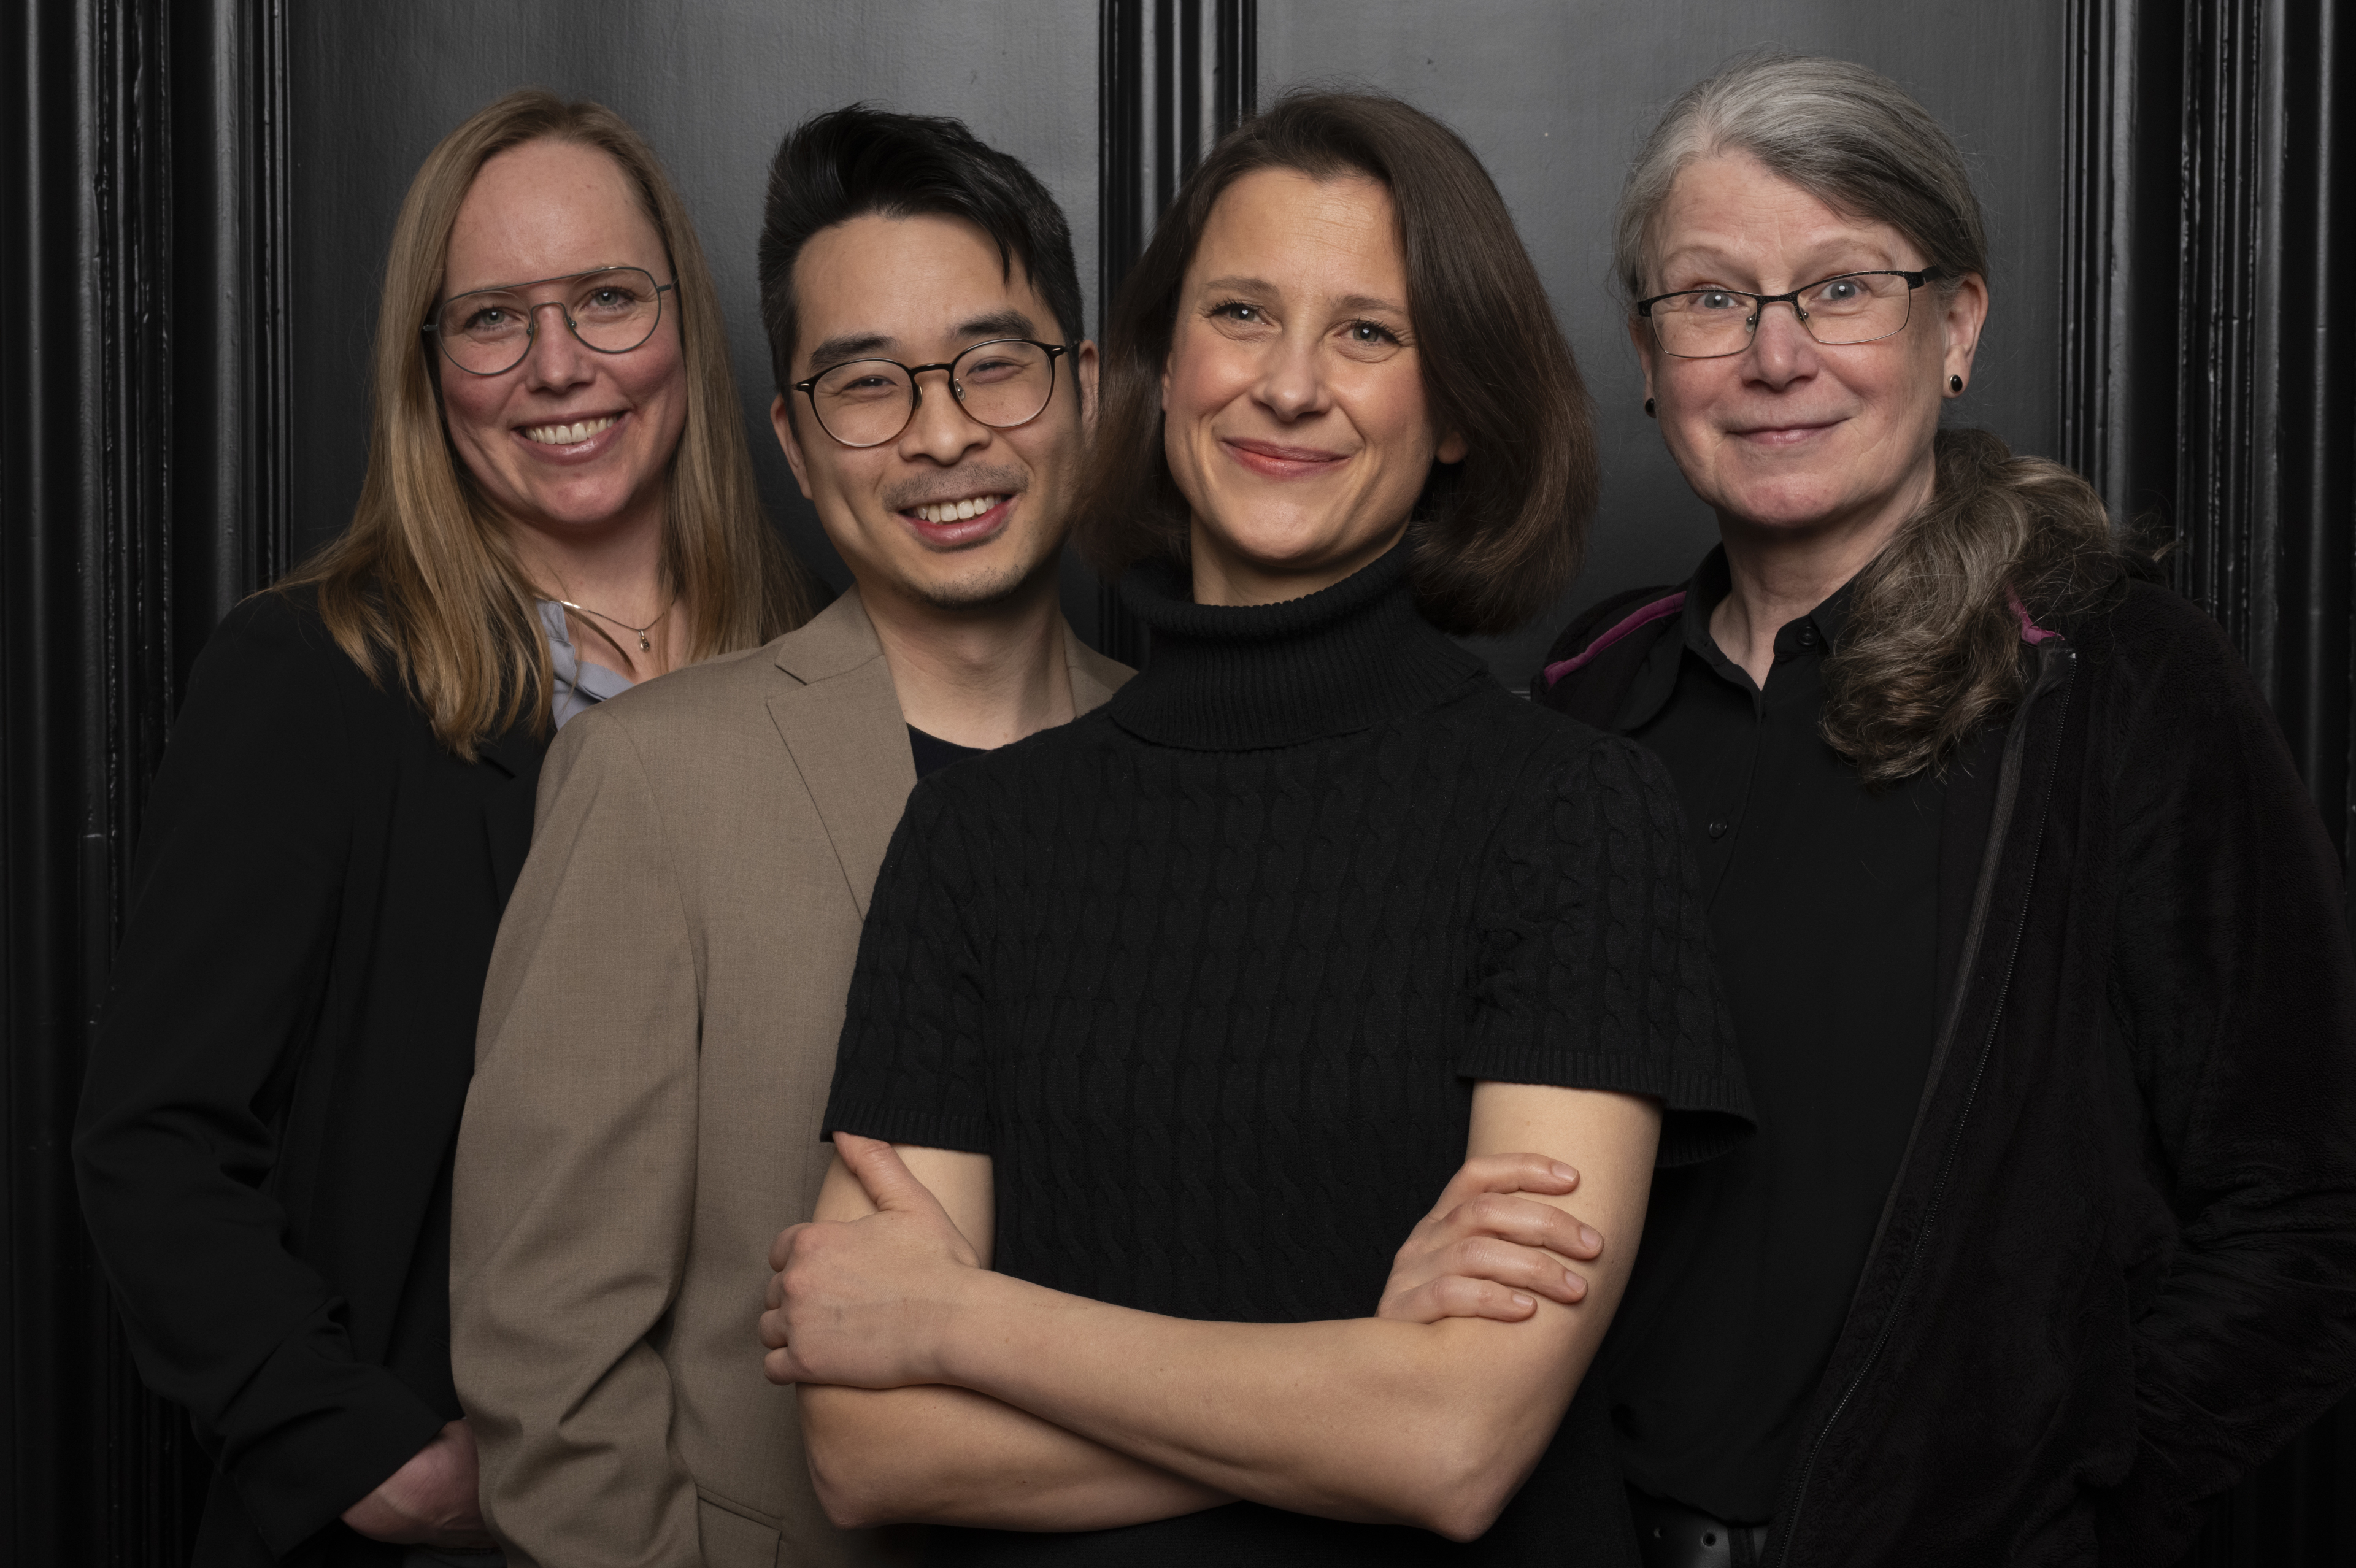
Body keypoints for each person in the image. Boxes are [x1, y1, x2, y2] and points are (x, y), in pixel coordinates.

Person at [758, 91, 1752, 1565]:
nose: (1289, 387)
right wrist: (1353, 1380)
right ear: (1159, 375)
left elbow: (1455, 1445)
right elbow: (868, 1444)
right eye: (1241, 313)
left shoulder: (1575, 816)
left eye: (1368, 332)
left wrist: (962, 1320)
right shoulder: (981, 841)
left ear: (1461, 408)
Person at [1520, 52, 2356, 1567]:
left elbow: (2300, 1213)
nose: (1775, 357)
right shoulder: (1583, 707)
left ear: (1954, 326)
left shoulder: (2115, 681)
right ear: (1647, 359)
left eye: (1841, 289)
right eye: (1710, 299)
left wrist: (2064, 1512)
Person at [72, 88, 807, 1568]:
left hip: (774, 1514)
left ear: (683, 321)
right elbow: (153, 1139)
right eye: (491, 320)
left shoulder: (813, 680)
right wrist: (365, 1453)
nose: (558, 367)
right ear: (429, 368)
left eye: (607, 299)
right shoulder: (307, 684)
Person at [447, 107, 1137, 1568]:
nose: (944, 433)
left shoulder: (1201, 766)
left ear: (1083, 391)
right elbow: (545, 1354)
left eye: (993, 364)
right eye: (867, 385)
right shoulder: (652, 782)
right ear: (798, 445)